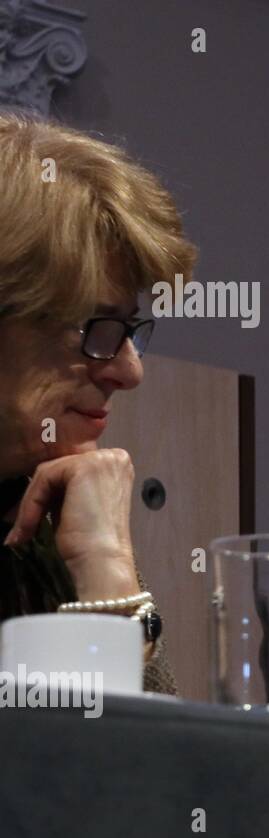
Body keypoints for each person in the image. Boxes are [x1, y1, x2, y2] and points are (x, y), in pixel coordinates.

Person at [0, 113, 198, 694]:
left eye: (130, 329)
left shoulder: (52, 522)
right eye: (97, 326)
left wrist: (104, 568)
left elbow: (138, 774)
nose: (129, 370)